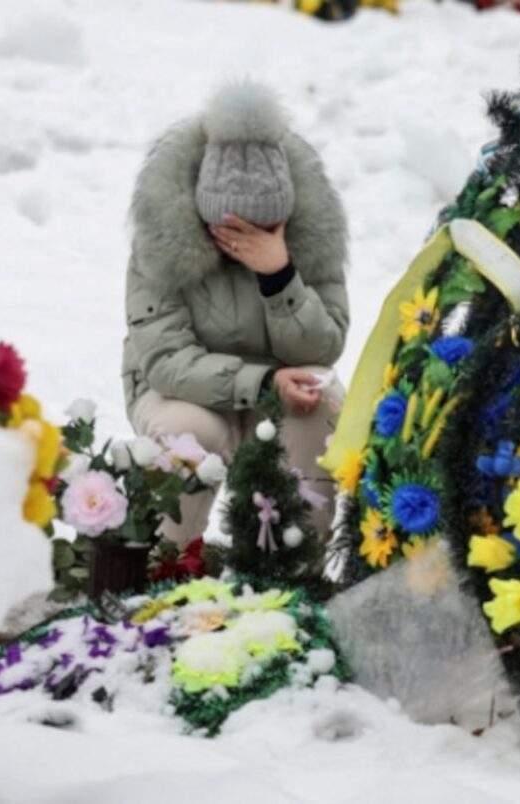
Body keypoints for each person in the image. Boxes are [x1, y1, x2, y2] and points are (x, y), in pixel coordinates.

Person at [121, 80, 349, 546]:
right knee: (190, 432)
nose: (249, 241)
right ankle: (165, 562)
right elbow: (166, 360)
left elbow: (324, 347)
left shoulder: (310, 233)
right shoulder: (163, 238)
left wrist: (278, 275)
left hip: (282, 387)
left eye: (264, 228)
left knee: (320, 410)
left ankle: (291, 571)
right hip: (183, 392)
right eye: (235, 231)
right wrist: (262, 383)